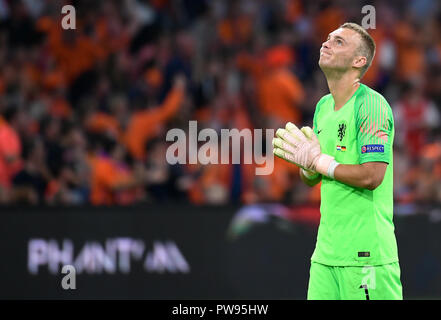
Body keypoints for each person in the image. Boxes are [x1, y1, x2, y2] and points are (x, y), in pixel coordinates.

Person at [272, 23, 402, 300]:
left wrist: (320, 163)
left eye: (339, 42)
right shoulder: (322, 107)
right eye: (328, 38)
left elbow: (371, 176)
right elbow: (313, 178)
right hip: (325, 255)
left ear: (359, 61)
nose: (326, 43)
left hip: (366, 256)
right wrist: (306, 164)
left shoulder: (371, 105)